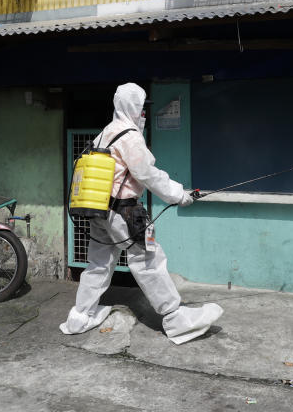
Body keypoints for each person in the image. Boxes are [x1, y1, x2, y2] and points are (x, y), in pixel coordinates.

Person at [60, 83, 223, 344]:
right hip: (124, 212)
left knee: (99, 264)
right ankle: (175, 318)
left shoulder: (105, 133)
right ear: (131, 107)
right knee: (148, 261)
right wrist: (180, 194)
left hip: (99, 210)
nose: (144, 114)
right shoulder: (130, 136)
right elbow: (147, 173)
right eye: (141, 108)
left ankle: (80, 316)